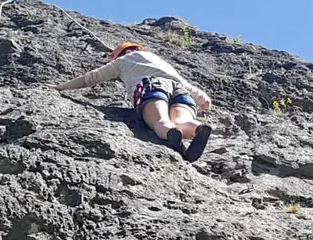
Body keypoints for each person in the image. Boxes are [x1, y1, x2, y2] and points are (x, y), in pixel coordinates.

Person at [57, 42, 213, 161]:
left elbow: (90, 78)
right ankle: (198, 128)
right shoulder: (158, 60)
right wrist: (203, 100)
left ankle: (170, 133)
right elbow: (186, 85)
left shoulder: (121, 61)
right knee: (181, 120)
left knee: (161, 121)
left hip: (152, 86)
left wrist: (61, 87)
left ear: (118, 55)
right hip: (181, 91)